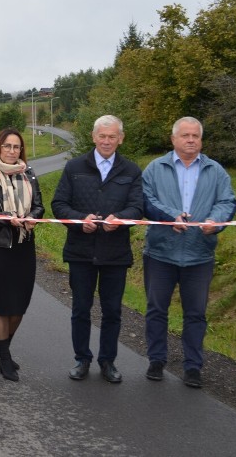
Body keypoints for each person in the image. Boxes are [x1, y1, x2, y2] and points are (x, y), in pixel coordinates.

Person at [141, 117, 236, 388]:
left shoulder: (215, 171)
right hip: (160, 253)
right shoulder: (155, 168)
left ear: (201, 140)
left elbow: (227, 201)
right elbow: (146, 200)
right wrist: (171, 216)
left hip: (199, 255)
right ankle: (156, 360)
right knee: (156, 309)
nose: (191, 140)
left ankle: (193, 366)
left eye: (195, 136)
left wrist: (215, 222)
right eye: (185, 135)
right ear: (173, 139)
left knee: (195, 313)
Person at [51, 114, 143, 383]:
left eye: (112, 136)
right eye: (102, 136)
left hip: (115, 252)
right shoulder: (74, 167)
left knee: (112, 310)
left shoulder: (131, 170)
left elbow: (137, 207)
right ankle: (82, 359)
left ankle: (108, 361)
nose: (106, 141)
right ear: (93, 137)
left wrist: (121, 220)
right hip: (81, 250)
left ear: (120, 139)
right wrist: (81, 222)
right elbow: (59, 205)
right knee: (81, 308)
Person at [0, 128, 44, 382]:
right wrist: (6, 220)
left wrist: (32, 219)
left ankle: (0, 345)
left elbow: (39, 206)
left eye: (17, 147)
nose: (13, 151)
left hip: (24, 246)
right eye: (8, 146)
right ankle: (5, 356)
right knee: (3, 304)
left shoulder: (29, 174)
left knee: (20, 304)